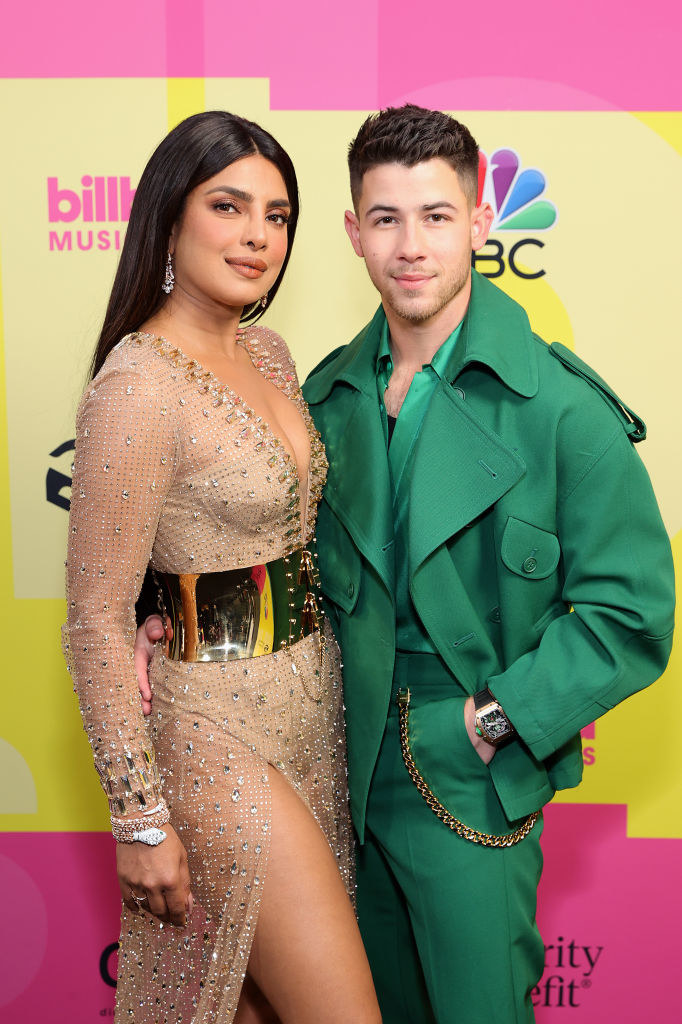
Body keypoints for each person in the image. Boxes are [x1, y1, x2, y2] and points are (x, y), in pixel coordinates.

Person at [135, 105, 675, 1023]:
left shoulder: (560, 409)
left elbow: (635, 615)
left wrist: (494, 720)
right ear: (353, 232)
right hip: (329, 769)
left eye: (434, 216)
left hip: (465, 772)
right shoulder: (322, 394)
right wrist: (175, 622)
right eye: (385, 219)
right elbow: (272, 559)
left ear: (479, 222)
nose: (410, 246)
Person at [63, 110, 381, 1024]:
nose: (257, 236)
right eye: (229, 205)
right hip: (214, 735)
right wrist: (139, 816)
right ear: (170, 216)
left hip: (313, 712)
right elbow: (93, 620)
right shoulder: (136, 387)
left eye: (277, 216)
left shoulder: (270, 356)